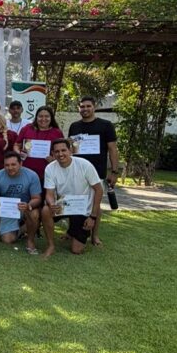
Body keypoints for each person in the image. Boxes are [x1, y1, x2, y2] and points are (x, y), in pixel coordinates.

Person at [68, 96, 120, 246]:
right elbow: (72, 149)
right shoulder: (74, 126)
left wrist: (114, 172)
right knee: (73, 201)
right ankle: (71, 232)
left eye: (88, 106)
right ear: (78, 108)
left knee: (95, 204)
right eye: (82, 106)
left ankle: (94, 235)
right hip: (76, 171)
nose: (85, 109)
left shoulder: (105, 125)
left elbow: (112, 149)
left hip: (97, 171)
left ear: (94, 107)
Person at [41, 139, 103, 257]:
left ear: (70, 151)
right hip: (64, 206)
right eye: (57, 151)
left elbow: (99, 190)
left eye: (63, 150)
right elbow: (49, 193)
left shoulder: (85, 165)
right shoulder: (50, 168)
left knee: (76, 250)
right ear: (53, 154)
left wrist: (92, 217)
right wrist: (51, 203)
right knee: (45, 210)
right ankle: (51, 246)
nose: (60, 154)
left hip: (82, 208)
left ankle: (89, 234)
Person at [0, 151, 42, 254]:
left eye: (13, 164)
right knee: (7, 240)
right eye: (7, 165)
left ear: (20, 164)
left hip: (24, 208)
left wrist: (28, 205)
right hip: (7, 210)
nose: (10, 168)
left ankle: (30, 240)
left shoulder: (32, 175)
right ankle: (22, 229)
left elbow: (37, 198)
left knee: (34, 214)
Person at [16, 105, 63, 187]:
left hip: (47, 173)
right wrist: (19, 153)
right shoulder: (27, 129)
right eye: (40, 116)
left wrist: (54, 159)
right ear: (36, 117)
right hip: (26, 171)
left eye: (47, 116)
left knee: (45, 194)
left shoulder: (57, 132)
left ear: (51, 118)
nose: (43, 119)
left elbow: (62, 151)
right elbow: (17, 145)